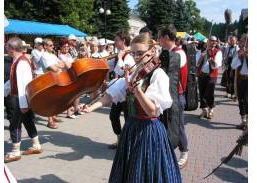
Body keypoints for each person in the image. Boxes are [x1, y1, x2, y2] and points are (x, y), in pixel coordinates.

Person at [82, 33, 182, 182]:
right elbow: (109, 96)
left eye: (140, 53)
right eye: (133, 53)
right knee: (129, 171)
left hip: (149, 130)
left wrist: (138, 90)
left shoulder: (158, 75)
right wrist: (89, 108)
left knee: (146, 172)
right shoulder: (133, 74)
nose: (136, 57)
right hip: (131, 128)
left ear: (152, 52)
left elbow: (152, 110)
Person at [4, 37, 42, 163]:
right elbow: (12, 80)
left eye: (7, 46)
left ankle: (15, 152)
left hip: (21, 99)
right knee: (27, 120)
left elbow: (23, 84)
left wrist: (24, 104)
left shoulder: (21, 62)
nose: (6, 48)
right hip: (22, 99)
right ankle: (36, 145)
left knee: (14, 123)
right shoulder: (17, 60)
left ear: (12, 48)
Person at [157, 24, 189, 169]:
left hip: (177, 95)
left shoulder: (179, 53)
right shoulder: (166, 52)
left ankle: (184, 152)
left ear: (165, 38)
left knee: (178, 125)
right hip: (167, 94)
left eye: (159, 37)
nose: (157, 40)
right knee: (167, 124)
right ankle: (168, 152)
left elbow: (172, 68)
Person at [107, 30, 135, 149]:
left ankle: (128, 144)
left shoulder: (129, 55)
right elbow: (113, 69)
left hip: (127, 91)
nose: (114, 42)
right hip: (118, 91)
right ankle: (119, 140)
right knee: (113, 116)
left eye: (117, 40)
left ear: (123, 41)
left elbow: (123, 71)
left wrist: (119, 58)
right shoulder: (120, 53)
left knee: (129, 119)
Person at [41, 38, 66, 129]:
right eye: (51, 45)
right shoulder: (44, 56)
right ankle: (50, 121)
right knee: (50, 101)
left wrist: (57, 65)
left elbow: (62, 64)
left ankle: (54, 116)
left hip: (57, 79)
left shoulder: (52, 55)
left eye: (53, 45)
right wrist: (57, 66)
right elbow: (53, 68)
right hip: (49, 81)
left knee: (55, 100)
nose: (53, 46)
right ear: (45, 46)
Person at [196, 35, 222, 119]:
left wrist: (212, 61)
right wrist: (201, 56)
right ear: (207, 42)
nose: (213, 42)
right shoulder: (201, 51)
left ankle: (211, 110)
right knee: (202, 93)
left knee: (209, 93)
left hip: (212, 75)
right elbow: (197, 63)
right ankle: (204, 110)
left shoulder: (218, 52)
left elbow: (217, 65)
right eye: (211, 40)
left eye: (215, 41)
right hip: (202, 75)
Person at [58, 41, 82, 118]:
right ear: (61, 47)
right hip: (66, 77)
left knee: (78, 93)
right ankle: (69, 112)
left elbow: (73, 64)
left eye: (67, 46)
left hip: (72, 75)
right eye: (64, 47)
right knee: (69, 95)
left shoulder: (69, 55)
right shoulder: (60, 56)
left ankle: (76, 109)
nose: (66, 48)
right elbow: (69, 65)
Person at [231, 34, 248, 129]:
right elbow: (233, 66)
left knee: (248, 100)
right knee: (241, 100)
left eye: (243, 41)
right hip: (241, 79)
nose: (241, 43)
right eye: (241, 41)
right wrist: (240, 57)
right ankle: (243, 120)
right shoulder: (238, 52)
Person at [223, 35, 239, 99]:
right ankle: (227, 92)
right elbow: (225, 56)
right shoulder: (227, 48)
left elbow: (236, 58)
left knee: (233, 80)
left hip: (234, 64)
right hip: (228, 64)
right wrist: (225, 62)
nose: (232, 41)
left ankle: (233, 93)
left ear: (236, 41)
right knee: (227, 79)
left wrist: (233, 67)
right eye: (231, 40)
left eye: (233, 40)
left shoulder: (237, 48)